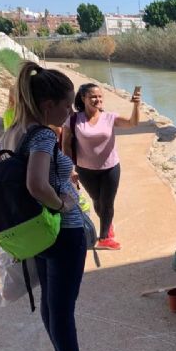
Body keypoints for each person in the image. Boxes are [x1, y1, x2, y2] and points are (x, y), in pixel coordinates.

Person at [0, 62, 106, 351]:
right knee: (63, 305)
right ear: (49, 105)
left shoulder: (13, 131)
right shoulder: (40, 134)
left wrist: (49, 183)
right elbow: (37, 184)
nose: (70, 111)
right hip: (62, 231)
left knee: (53, 302)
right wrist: (63, 201)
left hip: (38, 234)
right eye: (67, 105)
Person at [62, 83, 141, 250]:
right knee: (97, 200)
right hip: (85, 170)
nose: (97, 100)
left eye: (99, 96)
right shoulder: (74, 120)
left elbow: (133, 123)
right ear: (83, 98)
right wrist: (70, 168)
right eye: (93, 97)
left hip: (110, 168)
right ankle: (108, 223)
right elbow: (66, 146)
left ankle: (104, 237)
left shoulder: (109, 117)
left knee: (107, 202)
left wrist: (136, 105)